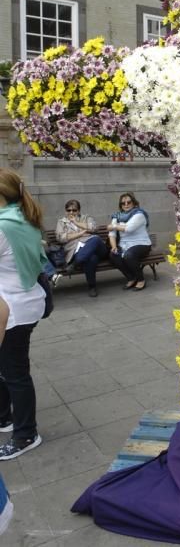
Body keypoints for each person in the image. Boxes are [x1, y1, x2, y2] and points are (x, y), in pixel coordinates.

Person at [0, 168, 47, 459]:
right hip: (23, 300)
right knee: (6, 369)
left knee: (15, 373)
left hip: (13, 307)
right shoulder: (21, 218)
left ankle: (26, 434)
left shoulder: (4, 225)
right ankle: (4, 416)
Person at [55, 200, 107, 297]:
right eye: (68, 210)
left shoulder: (86, 218)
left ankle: (75, 263)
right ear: (65, 211)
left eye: (74, 210)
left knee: (95, 239)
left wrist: (76, 222)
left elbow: (94, 228)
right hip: (76, 251)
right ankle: (92, 287)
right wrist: (80, 233)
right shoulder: (61, 222)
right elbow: (61, 238)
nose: (71, 212)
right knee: (91, 259)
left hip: (97, 248)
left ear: (78, 211)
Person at [107, 192, 151, 292]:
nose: (126, 204)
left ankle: (141, 279)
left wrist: (113, 226)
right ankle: (131, 278)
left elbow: (129, 228)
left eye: (128, 202)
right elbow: (112, 234)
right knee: (113, 255)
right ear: (120, 205)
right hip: (124, 244)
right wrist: (113, 246)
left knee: (129, 255)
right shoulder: (116, 216)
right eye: (123, 203)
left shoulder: (139, 214)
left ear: (134, 203)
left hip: (142, 244)